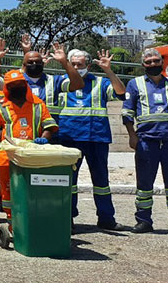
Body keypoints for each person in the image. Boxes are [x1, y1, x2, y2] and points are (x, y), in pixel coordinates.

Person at [122, 47, 168, 235]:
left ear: (162, 62)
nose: (152, 64)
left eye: (156, 61)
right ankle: (143, 221)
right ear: (143, 64)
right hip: (146, 142)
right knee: (144, 185)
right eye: (149, 61)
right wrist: (132, 135)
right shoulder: (135, 84)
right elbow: (127, 112)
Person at [58, 49, 126, 230]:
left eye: (79, 64)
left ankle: (106, 219)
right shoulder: (63, 82)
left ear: (88, 66)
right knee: (69, 183)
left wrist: (108, 70)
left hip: (96, 137)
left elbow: (121, 92)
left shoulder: (101, 83)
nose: (76, 67)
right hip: (69, 137)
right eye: (73, 64)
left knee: (101, 181)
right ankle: (67, 218)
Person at [0, 69, 58, 223]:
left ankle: (32, 220)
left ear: (25, 85)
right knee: (7, 190)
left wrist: (44, 138)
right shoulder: (0, 107)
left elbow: (49, 126)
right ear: (7, 87)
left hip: (32, 155)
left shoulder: (38, 104)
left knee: (32, 188)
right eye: (12, 85)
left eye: (19, 84)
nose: (16, 87)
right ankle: (12, 221)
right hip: (7, 156)